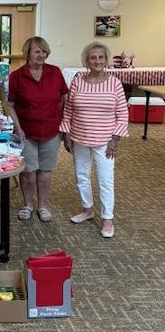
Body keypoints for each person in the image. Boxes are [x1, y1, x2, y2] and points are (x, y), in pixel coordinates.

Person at [60, 41, 128, 238]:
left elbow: (123, 113)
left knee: (105, 179)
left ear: (106, 60)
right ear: (86, 61)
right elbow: (69, 109)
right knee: (82, 176)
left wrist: (115, 140)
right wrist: (66, 133)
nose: (97, 61)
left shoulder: (114, 82)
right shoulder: (78, 80)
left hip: (105, 140)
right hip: (79, 136)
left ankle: (108, 218)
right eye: (93, 57)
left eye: (101, 57)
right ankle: (87, 210)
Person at [7, 36, 68, 222]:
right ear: (28, 53)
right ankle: (27, 205)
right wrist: (17, 128)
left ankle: (43, 206)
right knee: (29, 172)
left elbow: (63, 100)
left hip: (51, 130)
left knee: (45, 171)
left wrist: (62, 126)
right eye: (37, 51)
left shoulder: (55, 72)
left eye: (44, 51)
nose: (41, 55)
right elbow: (10, 105)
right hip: (26, 131)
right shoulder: (17, 76)